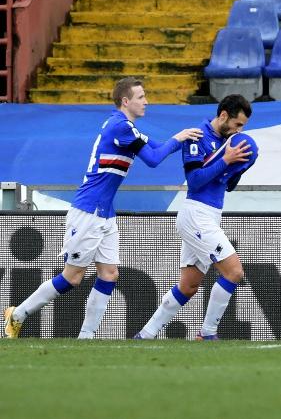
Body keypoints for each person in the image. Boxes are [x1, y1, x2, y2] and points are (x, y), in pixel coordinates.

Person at [4, 77, 203, 339]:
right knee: (73, 277)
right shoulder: (121, 126)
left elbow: (154, 145)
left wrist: (181, 141)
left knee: (109, 275)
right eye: (141, 97)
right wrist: (178, 138)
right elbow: (154, 159)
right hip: (88, 210)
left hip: (105, 213)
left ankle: (86, 336)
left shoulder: (125, 127)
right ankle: (17, 315)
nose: (146, 101)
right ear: (125, 101)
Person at [134, 94, 257, 340]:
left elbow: (228, 185)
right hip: (196, 213)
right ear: (223, 116)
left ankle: (145, 335)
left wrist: (239, 167)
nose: (239, 130)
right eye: (237, 124)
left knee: (189, 286)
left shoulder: (227, 142)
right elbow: (195, 181)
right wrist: (226, 160)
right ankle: (208, 334)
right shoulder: (197, 137)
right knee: (234, 272)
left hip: (209, 215)